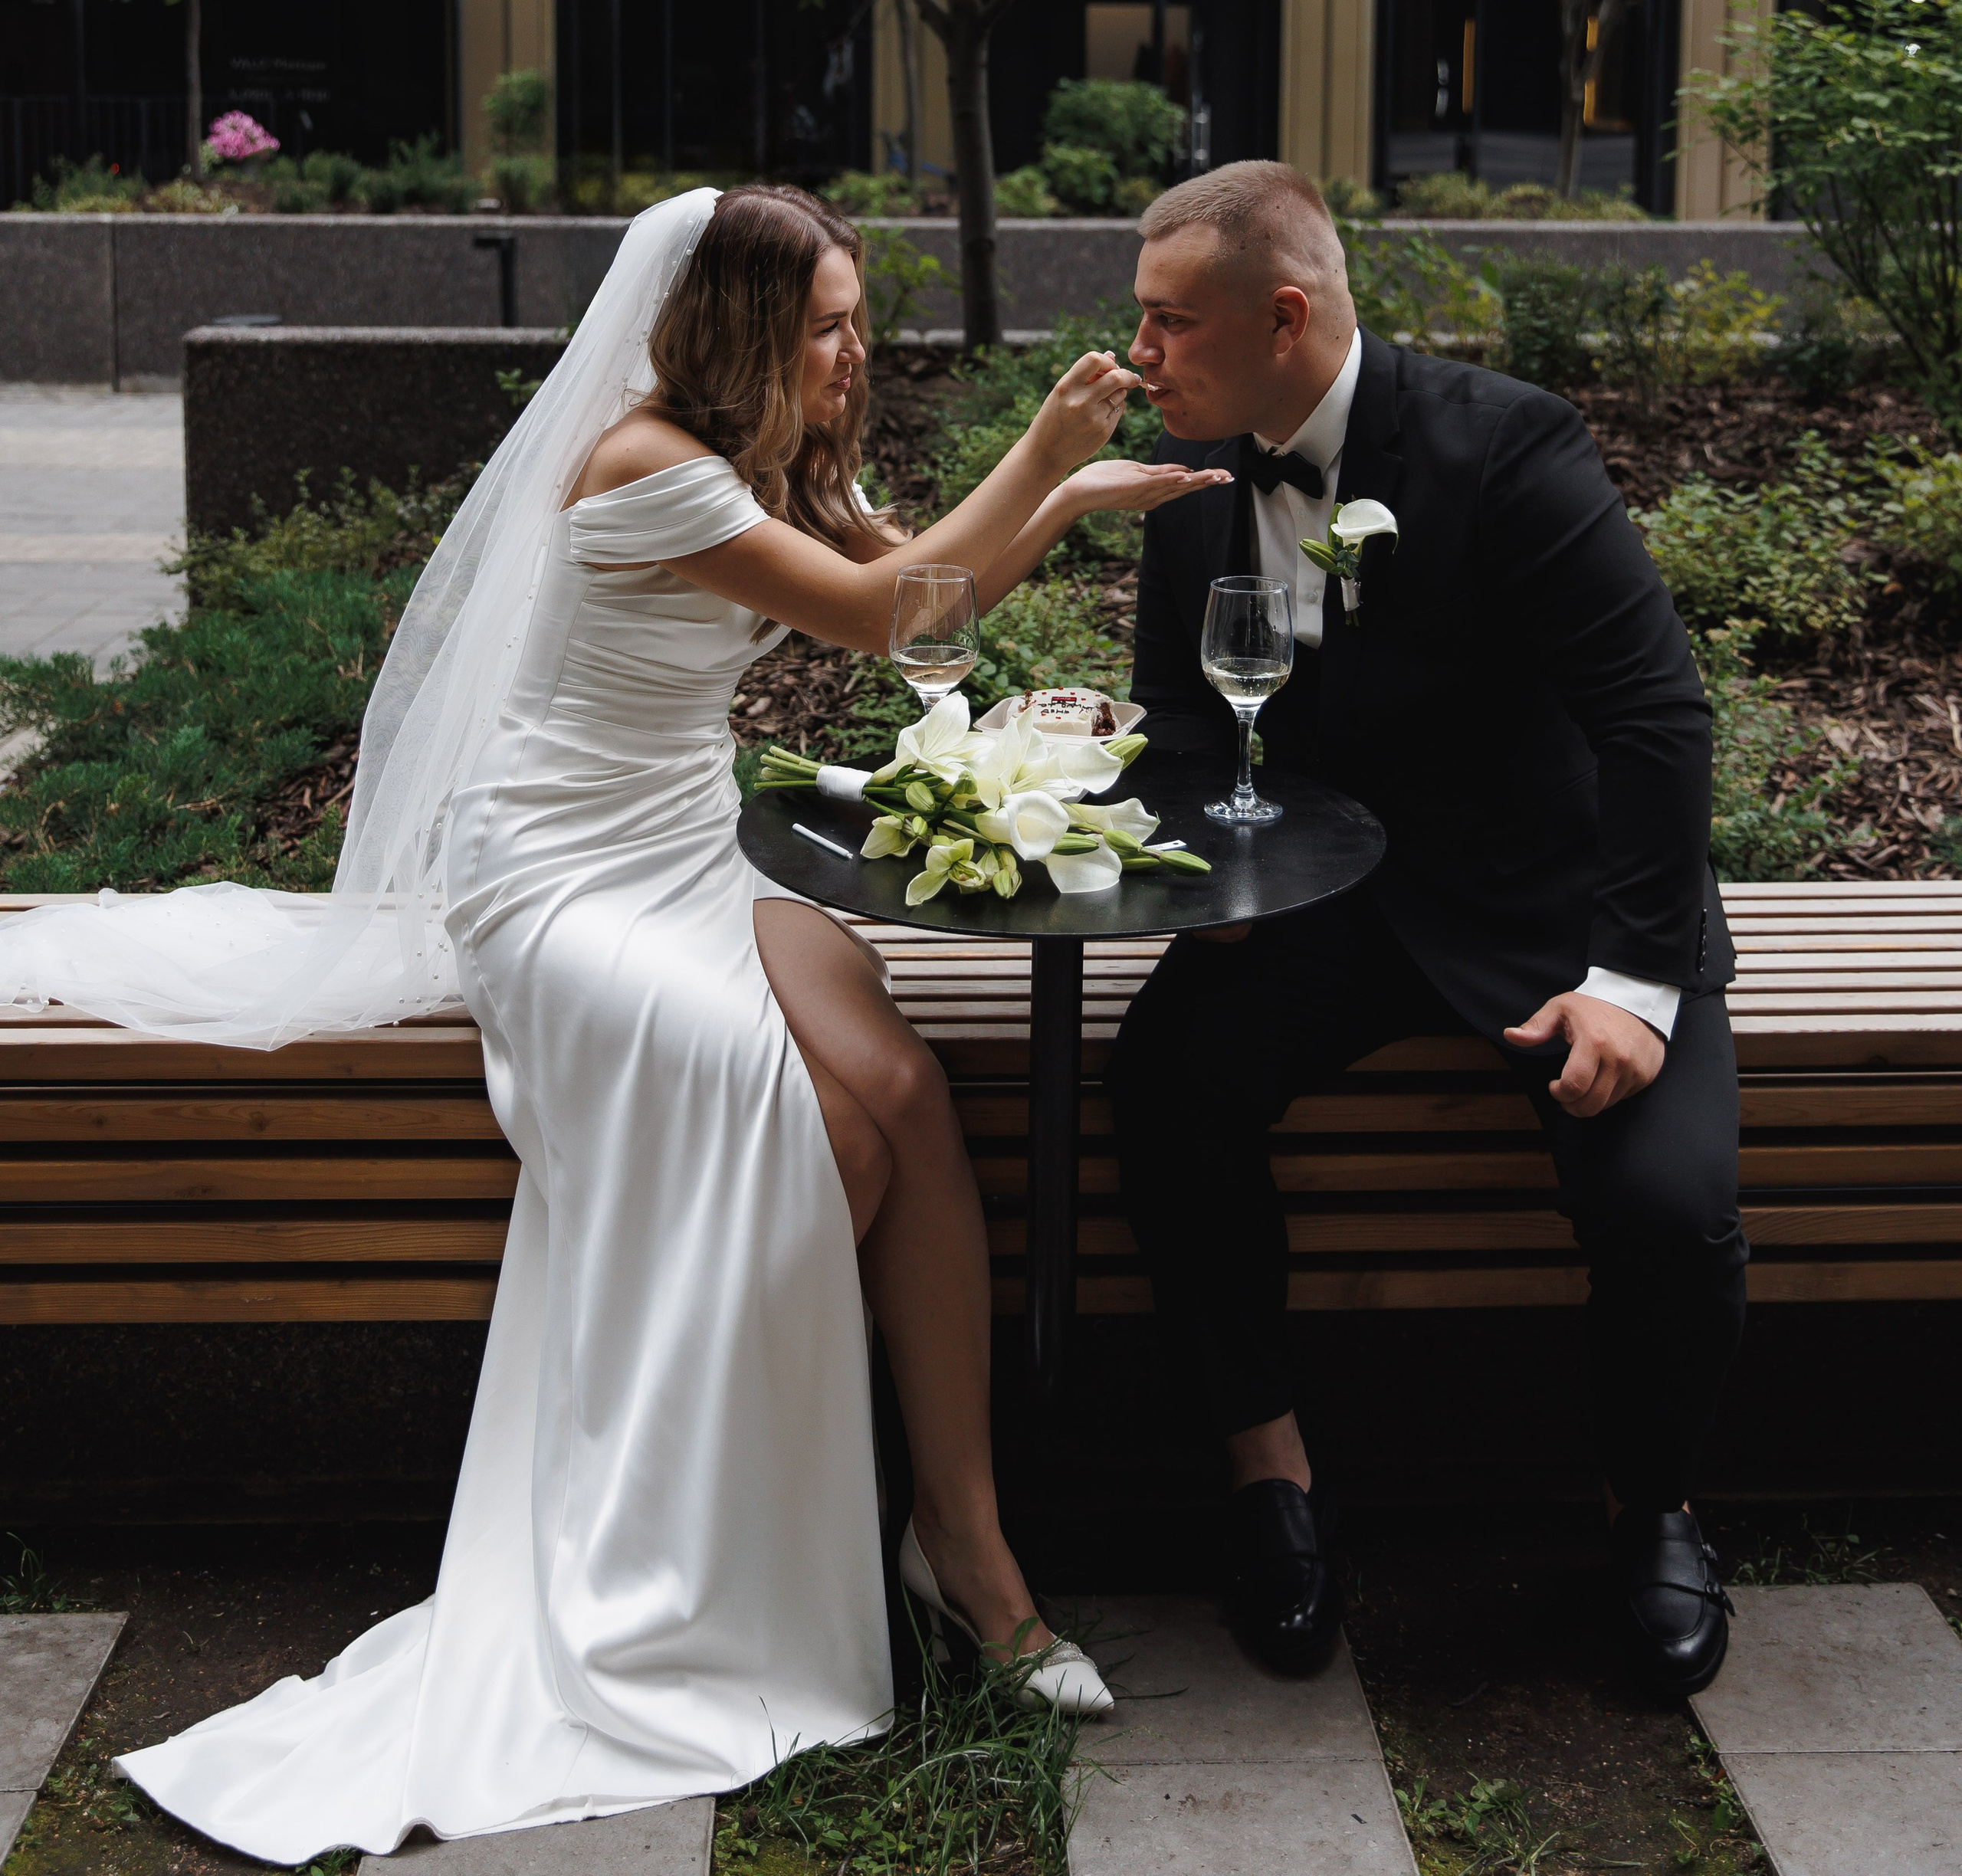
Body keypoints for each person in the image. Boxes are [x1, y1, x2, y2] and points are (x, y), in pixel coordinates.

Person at [0, 184, 1229, 1865]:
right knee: (803, 1120)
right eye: (824, 326)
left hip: (680, 838)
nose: (851, 349)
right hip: (560, 877)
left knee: (901, 1089)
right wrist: (1051, 454)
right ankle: (728, 1507)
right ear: (732, 330)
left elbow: (922, 608)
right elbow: (893, 620)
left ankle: (965, 1546)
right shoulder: (651, 468)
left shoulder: (776, 457)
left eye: (855, 318)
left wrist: (1058, 484)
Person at [1107, 161, 1745, 1700]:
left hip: (1554, 909)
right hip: (1329, 916)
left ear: (1282, 315)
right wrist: (1213, 894)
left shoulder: (1504, 446)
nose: (1141, 356)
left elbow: (1657, 723)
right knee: (1162, 1078)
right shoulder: (1189, 490)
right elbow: (1188, 742)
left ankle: (1650, 1507)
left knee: (1659, 1202)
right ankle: (1271, 1480)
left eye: (1167, 324)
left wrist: (1631, 984)